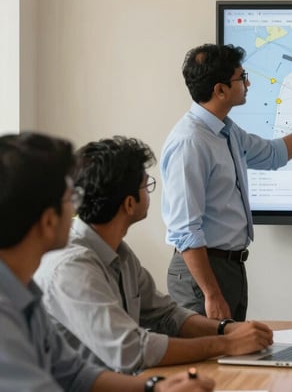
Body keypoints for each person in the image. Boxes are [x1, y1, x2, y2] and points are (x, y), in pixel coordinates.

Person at [34, 136, 274, 374]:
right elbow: (130, 351)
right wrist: (227, 344)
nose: (150, 192)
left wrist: (225, 329)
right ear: (129, 204)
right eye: (146, 185)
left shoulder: (121, 253)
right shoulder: (71, 267)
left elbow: (167, 315)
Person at [0, 132, 214, 392]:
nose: (77, 208)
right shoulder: (61, 270)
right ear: (48, 221)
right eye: (71, 198)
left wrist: (154, 388)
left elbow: (75, 374)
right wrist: (225, 344)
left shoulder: (25, 293)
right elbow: (128, 350)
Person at [162, 43, 292, 321]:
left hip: (229, 269)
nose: (248, 82)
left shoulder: (226, 131)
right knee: (208, 360)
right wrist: (212, 294)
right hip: (202, 276)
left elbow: (275, 154)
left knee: (230, 357)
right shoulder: (190, 142)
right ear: (220, 90)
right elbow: (184, 230)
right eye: (241, 78)